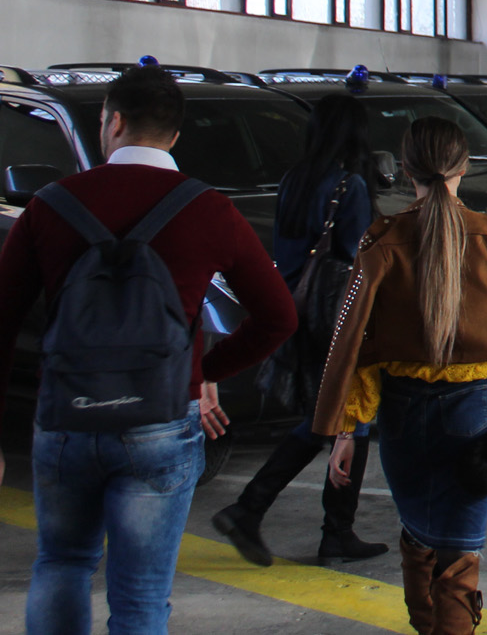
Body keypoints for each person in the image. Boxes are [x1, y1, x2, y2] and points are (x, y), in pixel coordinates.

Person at [0, 64, 296, 635]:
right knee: (141, 595)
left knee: (62, 563)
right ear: (175, 135)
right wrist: (202, 373)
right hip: (161, 419)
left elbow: (3, 322)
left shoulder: (51, 204)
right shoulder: (209, 209)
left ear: (112, 122)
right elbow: (278, 318)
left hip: (66, 418)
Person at [314, 118, 487, 635]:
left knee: (418, 534)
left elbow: (357, 346)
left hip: (403, 414)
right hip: (476, 412)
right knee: (460, 552)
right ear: (463, 167)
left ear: (406, 171)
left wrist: (347, 431)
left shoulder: (382, 239)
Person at [215, 92, 387, 567]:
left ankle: (258, 512)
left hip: (296, 310)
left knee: (323, 417)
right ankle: (328, 531)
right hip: (334, 316)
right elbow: (355, 258)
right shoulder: (349, 185)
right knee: (350, 418)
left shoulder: (294, 179)